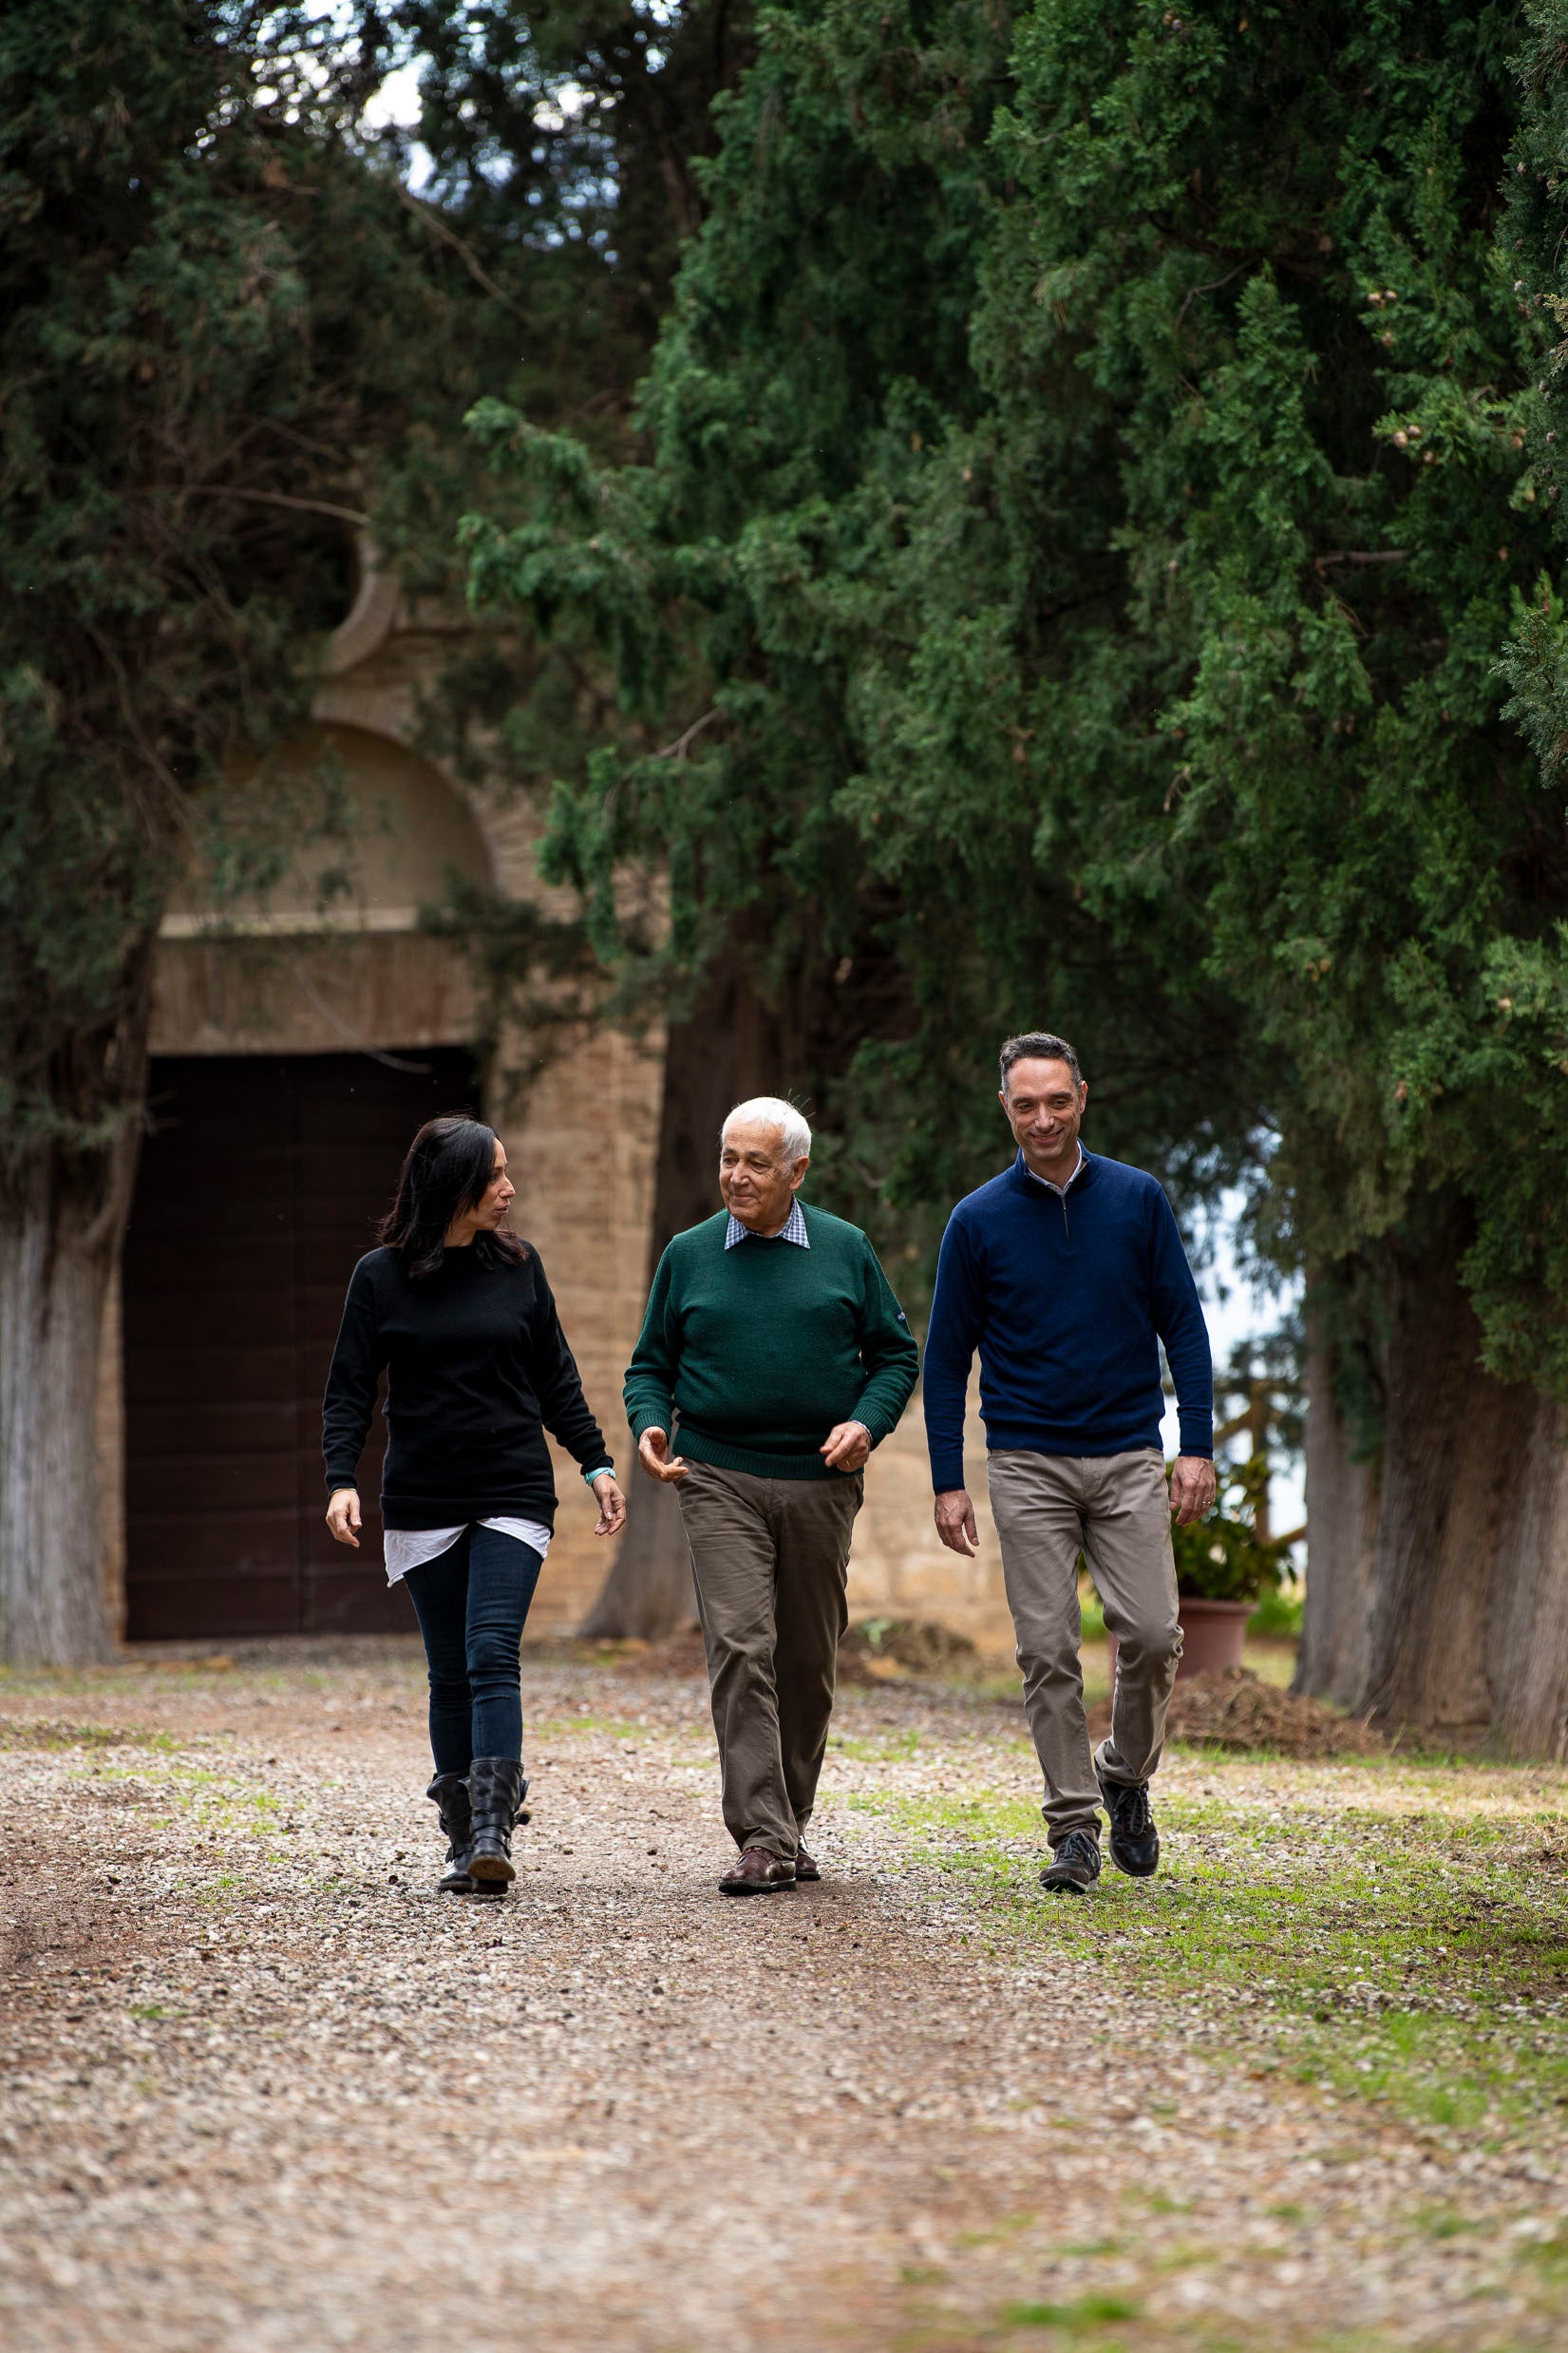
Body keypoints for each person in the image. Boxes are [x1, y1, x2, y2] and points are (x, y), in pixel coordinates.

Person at [922, 1034, 1215, 1896]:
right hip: (1025, 1463)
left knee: (1155, 1636)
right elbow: (944, 1359)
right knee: (1047, 1649)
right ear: (1005, 1108)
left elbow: (1185, 1328)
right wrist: (948, 1478)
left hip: (1128, 1454)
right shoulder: (976, 1219)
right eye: (1025, 1104)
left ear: (1081, 1096)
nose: (1042, 1118)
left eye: (1056, 1100)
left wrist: (1192, 1444)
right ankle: (1073, 1826)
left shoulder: (1137, 1199)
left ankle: (1124, 1771)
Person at [322, 1114, 626, 1895]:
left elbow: (555, 1374)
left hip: (512, 1489)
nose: (509, 1188)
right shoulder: (379, 1277)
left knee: (492, 1649)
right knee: (448, 1669)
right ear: (451, 1185)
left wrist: (594, 1461)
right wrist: (339, 1478)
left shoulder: (520, 1268)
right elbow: (351, 1387)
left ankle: (494, 1829)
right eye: (494, 1175)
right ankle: (461, 1836)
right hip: (423, 1494)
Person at [624, 1097, 919, 1895]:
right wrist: (650, 1424)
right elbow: (649, 1364)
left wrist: (866, 1423)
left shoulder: (844, 1249)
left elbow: (896, 1357)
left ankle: (787, 1824)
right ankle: (762, 1834)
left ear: (797, 1170)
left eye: (755, 1162)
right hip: (715, 1473)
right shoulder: (688, 1254)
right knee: (741, 1647)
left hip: (820, 1480)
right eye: (727, 1158)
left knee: (804, 1660)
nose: (736, 1176)